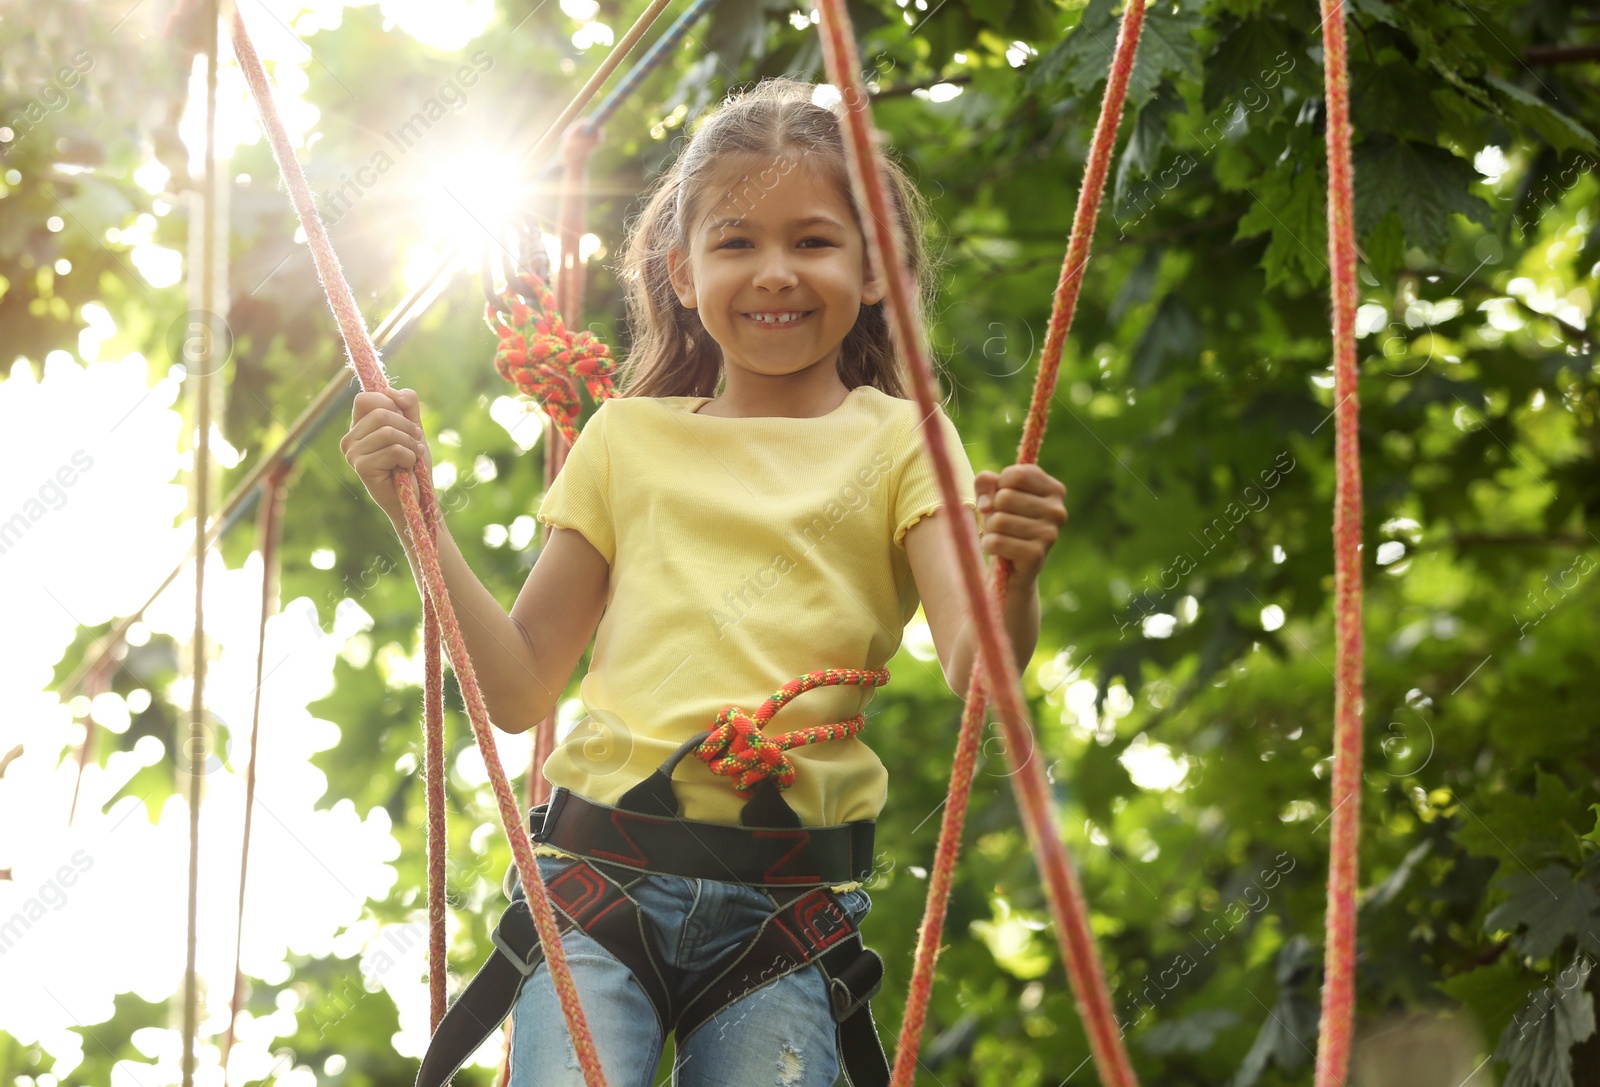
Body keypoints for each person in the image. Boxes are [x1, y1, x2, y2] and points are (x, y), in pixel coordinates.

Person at [342, 77, 1067, 1087]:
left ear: (873, 273)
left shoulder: (903, 442)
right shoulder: (627, 440)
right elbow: (515, 690)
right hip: (603, 889)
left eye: (812, 241)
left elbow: (975, 664)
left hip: (785, 915)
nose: (775, 272)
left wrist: (1015, 577)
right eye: (736, 242)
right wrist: (413, 516)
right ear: (681, 272)